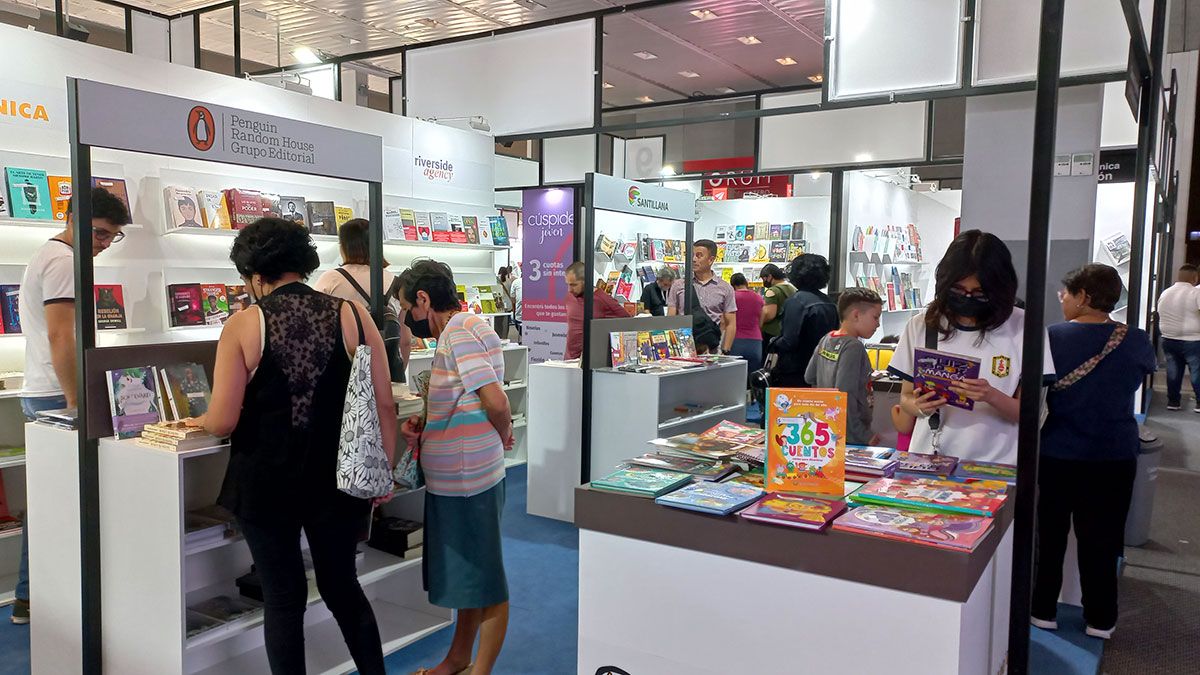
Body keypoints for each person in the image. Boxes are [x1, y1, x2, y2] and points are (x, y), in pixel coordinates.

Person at [189, 217, 397, 674]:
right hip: (337, 479)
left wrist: (197, 419)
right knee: (343, 587)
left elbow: (222, 420)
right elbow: (384, 403)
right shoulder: (354, 315)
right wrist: (384, 470)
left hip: (266, 482)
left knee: (283, 598)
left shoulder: (244, 324)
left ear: (253, 274)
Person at [14, 186, 129, 626]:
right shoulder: (64, 261)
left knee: (52, 499)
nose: (104, 244)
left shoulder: (52, 255)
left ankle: (32, 596)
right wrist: (76, 402)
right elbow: (61, 334)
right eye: (99, 233)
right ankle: (38, 598)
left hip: (49, 390)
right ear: (72, 219)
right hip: (56, 394)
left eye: (111, 236)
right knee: (60, 503)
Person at [396, 266, 512, 675]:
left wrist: (504, 432)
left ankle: (479, 669)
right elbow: (472, 399)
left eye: (409, 308)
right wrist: (428, 423)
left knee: (487, 579)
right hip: (467, 475)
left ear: (424, 299)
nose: (409, 317)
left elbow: (496, 401)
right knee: (471, 575)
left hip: (467, 480)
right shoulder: (469, 326)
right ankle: (458, 658)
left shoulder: (458, 331)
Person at [1032, 263, 1156, 640]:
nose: (1062, 299)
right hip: (1114, 454)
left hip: (1059, 452)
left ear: (1084, 297)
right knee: (1102, 538)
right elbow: (1138, 376)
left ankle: (1042, 610)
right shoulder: (1136, 339)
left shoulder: (1052, 337)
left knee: (1050, 536)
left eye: (1066, 293)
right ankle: (1100, 618)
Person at [887, 230, 1055, 463]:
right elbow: (906, 398)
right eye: (958, 290)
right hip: (930, 460)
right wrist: (918, 405)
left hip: (997, 465)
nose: (967, 298)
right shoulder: (924, 325)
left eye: (979, 293)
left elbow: (1031, 415)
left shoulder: (1025, 327)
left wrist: (991, 396)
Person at [314, 218, 412, 381]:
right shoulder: (394, 282)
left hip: (343, 373)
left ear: (344, 246)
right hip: (384, 371)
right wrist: (394, 375)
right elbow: (405, 340)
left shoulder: (330, 279)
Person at [805, 287, 883, 445]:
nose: (878, 324)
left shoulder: (826, 339)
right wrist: (863, 435)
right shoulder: (854, 347)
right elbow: (845, 394)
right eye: (875, 317)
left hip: (826, 426)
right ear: (856, 315)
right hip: (850, 434)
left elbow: (809, 376)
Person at [767, 254, 839, 387]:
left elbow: (789, 341)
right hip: (823, 366)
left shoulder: (796, 302)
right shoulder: (829, 303)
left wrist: (773, 342)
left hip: (796, 369)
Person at [667, 240, 737, 354]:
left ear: (711, 260)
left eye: (699, 255)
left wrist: (725, 350)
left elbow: (731, 323)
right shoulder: (678, 285)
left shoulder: (725, 288)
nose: (694, 259)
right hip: (684, 348)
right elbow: (671, 318)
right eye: (692, 255)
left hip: (711, 348)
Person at [1155, 263, 1200, 411]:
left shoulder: (1165, 293)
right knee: (1196, 372)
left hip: (1169, 339)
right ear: (1195, 278)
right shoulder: (1195, 293)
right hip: (1193, 340)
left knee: (1173, 371)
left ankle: (1173, 402)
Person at [564, 261, 627, 360]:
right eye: (568, 284)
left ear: (586, 280)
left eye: (574, 285)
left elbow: (628, 322)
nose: (569, 289)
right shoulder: (570, 297)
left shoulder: (602, 299)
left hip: (591, 361)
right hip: (569, 360)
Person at [729, 274, 765, 375]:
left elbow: (726, 321)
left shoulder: (731, 297)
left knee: (735, 376)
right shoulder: (758, 298)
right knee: (753, 374)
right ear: (746, 283)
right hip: (755, 341)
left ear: (732, 285)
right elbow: (761, 320)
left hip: (735, 340)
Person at [759, 263, 795, 341]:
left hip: (772, 332)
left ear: (769, 277)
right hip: (788, 330)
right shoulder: (792, 288)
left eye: (763, 278)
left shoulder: (772, 291)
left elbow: (769, 315)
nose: (763, 282)